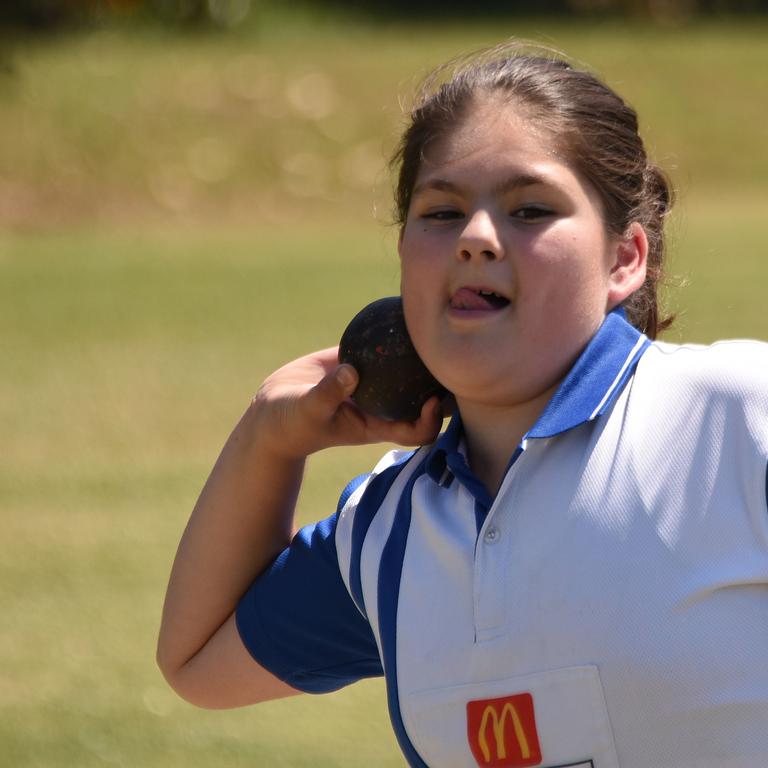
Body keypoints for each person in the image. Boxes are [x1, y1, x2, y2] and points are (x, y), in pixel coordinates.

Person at [157, 41, 768, 768]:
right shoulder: (390, 531)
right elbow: (198, 660)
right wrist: (267, 437)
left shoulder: (735, 415)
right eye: (441, 213)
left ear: (623, 259)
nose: (476, 237)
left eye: (530, 208)